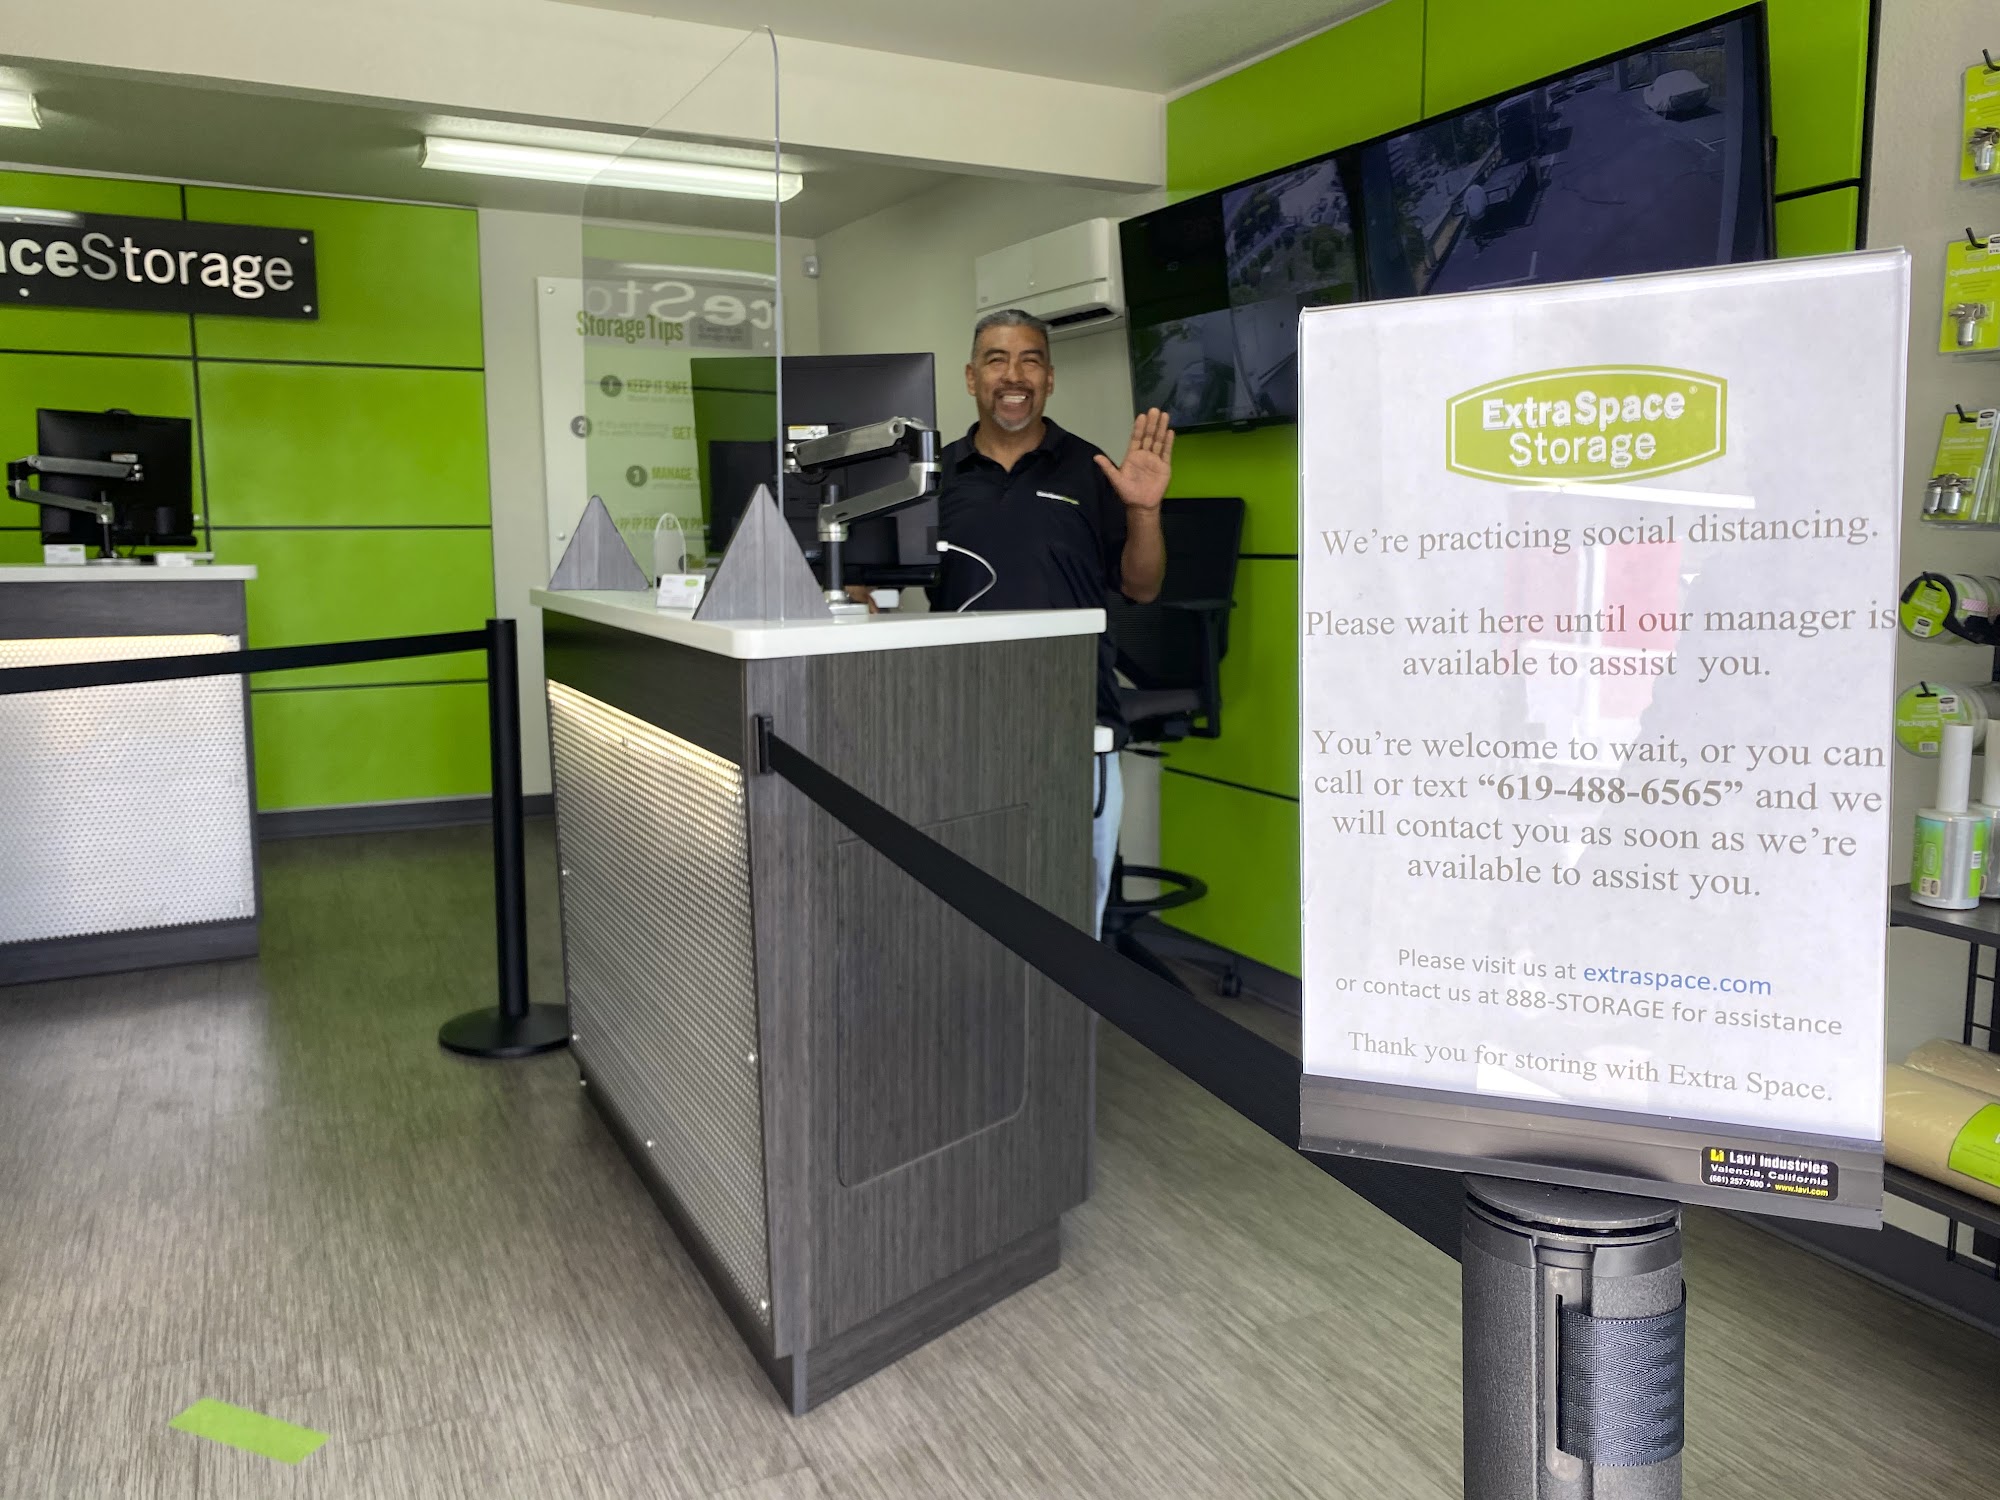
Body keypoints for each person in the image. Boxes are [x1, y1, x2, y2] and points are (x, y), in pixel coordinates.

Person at [929, 307, 1173, 936]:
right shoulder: (936, 478)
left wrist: (1144, 512)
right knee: (967, 911)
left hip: (1075, 722)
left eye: (1030, 360)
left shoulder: (1092, 469)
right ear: (971, 377)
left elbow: (1143, 586)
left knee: (1070, 917)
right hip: (962, 724)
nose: (1014, 376)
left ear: (1050, 378)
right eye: (997, 360)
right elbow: (881, 577)